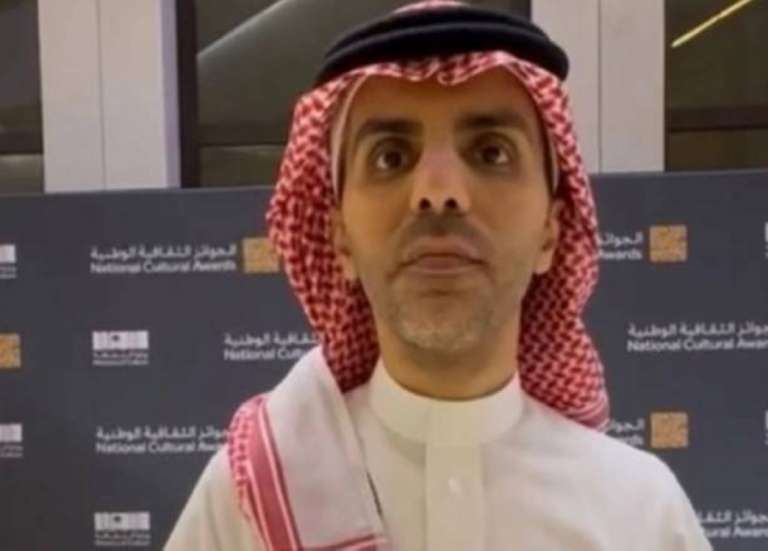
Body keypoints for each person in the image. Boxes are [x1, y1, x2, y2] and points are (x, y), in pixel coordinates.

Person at [166, 2, 712, 550]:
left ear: (551, 230)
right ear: (339, 236)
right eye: (390, 157)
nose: (438, 191)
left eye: (491, 153)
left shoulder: (641, 513)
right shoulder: (248, 502)